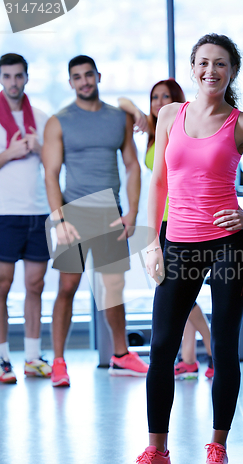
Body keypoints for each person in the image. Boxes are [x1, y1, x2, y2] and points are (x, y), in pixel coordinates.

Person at [124, 33, 243, 464]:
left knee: (222, 348)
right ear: (193, 67)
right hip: (177, 243)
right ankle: (156, 452)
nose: (211, 71)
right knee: (162, 347)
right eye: (203, 63)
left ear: (232, 71)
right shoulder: (168, 115)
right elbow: (159, 183)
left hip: (227, 246)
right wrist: (152, 242)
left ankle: (217, 447)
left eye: (221, 64)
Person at [43, 55, 148, 387]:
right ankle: (58, 361)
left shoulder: (118, 118)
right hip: (72, 214)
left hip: (109, 212)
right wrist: (59, 220)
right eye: (77, 77)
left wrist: (131, 211)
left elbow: (132, 165)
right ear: (70, 82)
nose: (84, 81)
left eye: (89, 75)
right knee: (67, 287)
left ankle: (121, 355)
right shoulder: (59, 121)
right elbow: (50, 174)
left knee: (113, 288)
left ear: (98, 76)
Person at [119, 79, 214, 380]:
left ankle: (212, 346)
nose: (159, 103)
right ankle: (188, 358)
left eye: (166, 97)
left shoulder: (181, 126)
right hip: (161, 220)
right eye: (154, 98)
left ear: (177, 100)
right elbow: (121, 99)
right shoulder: (154, 128)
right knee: (172, 290)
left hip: (181, 220)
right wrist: (136, 110)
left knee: (178, 293)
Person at [0, 53, 51, 384]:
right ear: (1, 80)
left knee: (36, 285)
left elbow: (57, 164)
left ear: (27, 78)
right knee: (1, 286)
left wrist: (39, 148)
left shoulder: (43, 119)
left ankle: (32, 357)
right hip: (4, 213)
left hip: (38, 213)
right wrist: (10, 153)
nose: (14, 82)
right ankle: (3, 359)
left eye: (19, 76)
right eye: (7, 77)